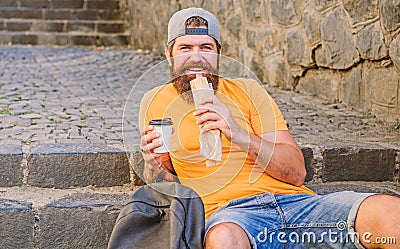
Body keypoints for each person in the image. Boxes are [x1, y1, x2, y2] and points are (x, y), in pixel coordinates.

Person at [138, 7, 400, 249]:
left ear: (218, 53)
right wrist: (154, 165)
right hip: (229, 215)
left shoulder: (248, 90)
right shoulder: (155, 101)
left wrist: (238, 133)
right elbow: (167, 186)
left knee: (389, 212)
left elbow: (296, 172)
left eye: (206, 46)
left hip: (296, 204)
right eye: (186, 47)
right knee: (223, 239)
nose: (196, 57)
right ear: (169, 54)